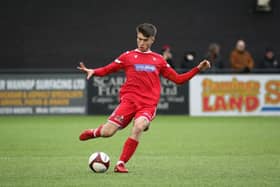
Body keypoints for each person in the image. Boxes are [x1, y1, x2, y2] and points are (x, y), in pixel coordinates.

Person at [77, 23, 211, 173]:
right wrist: (93, 71)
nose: (141, 43)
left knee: (139, 126)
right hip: (129, 101)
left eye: (145, 40)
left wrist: (198, 69)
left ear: (152, 40)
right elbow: (108, 69)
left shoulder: (159, 60)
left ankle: (121, 163)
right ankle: (94, 132)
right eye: (139, 39)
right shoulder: (127, 56)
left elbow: (179, 79)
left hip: (148, 105)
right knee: (108, 133)